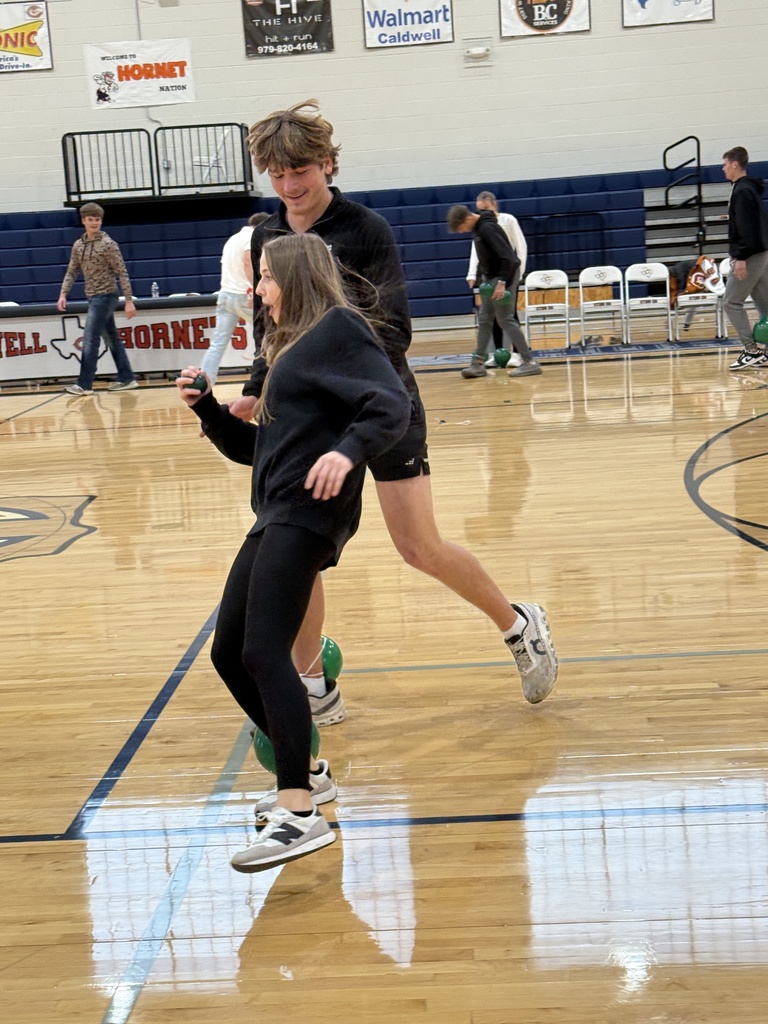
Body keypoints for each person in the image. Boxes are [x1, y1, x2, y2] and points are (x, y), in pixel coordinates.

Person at [227, 99, 558, 720]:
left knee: (418, 546)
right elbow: (268, 327)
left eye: (302, 171)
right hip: (302, 416)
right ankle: (310, 680)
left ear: (327, 164)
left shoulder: (366, 230)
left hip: (380, 402)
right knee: (294, 547)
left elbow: (394, 332)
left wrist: (322, 363)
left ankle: (518, 624)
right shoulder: (266, 236)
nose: (291, 186)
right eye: (277, 174)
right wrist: (255, 386)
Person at [176, 232, 411, 871]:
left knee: (262, 650)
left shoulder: (338, 328)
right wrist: (209, 412)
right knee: (230, 653)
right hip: (277, 508)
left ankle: (299, 810)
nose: (257, 291)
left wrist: (346, 451)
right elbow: (259, 451)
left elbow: (390, 403)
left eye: (266, 279)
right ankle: (308, 771)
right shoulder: (288, 348)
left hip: (308, 513)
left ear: (295, 277)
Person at [448, 204, 542, 379]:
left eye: (461, 228)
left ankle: (530, 362)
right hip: (491, 279)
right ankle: (477, 364)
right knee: (484, 319)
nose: (462, 232)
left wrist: (501, 283)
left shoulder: (488, 229)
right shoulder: (479, 229)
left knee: (506, 320)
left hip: (503, 278)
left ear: (467, 219)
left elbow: (510, 259)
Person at [57, 202, 138, 395]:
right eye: (91, 219)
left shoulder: (109, 245)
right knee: (112, 339)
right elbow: (71, 271)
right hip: (93, 298)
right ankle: (127, 378)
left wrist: (128, 300)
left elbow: (122, 272)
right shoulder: (78, 245)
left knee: (90, 339)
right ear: (84, 220)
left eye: (98, 219)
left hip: (106, 296)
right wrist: (63, 294)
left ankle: (85, 384)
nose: (95, 223)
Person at [200, 212, 270, 384]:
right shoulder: (253, 236)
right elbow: (247, 260)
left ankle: (205, 382)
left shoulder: (232, 239)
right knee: (270, 333)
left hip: (225, 295)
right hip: (243, 294)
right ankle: (271, 376)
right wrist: (255, 288)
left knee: (217, 344)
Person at [466, 192, 528, 367]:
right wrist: (472, 273)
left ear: (494, 205)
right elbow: (475, 250)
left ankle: (517, 353)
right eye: (479, 209)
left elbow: (520, 245)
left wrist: (519, 273)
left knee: (509, 314)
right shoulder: (479, 226)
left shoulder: (508, 220)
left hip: (507, 273)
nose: (482, 212)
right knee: (490, 314)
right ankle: (498, 352)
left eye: (485, 208)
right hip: (490, 274)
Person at [721, 146, 768, 370]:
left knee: (731, 302)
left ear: (735, 164)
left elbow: (747, 228)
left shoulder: (741, 192)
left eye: (725, 164)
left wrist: (740, 257)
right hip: (761, 253)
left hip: (750, 255)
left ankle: (751, 351)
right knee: (765, 304)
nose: (723, 169)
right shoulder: (748, 189)